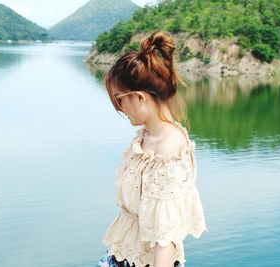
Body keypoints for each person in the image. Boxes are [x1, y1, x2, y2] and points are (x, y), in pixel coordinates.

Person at [95, 30, 208, 267]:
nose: (119, 108)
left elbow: (166, 238)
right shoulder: (146, 138)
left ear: (139, 98)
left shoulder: (169, 151)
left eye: (120, 99)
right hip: (122, 257)